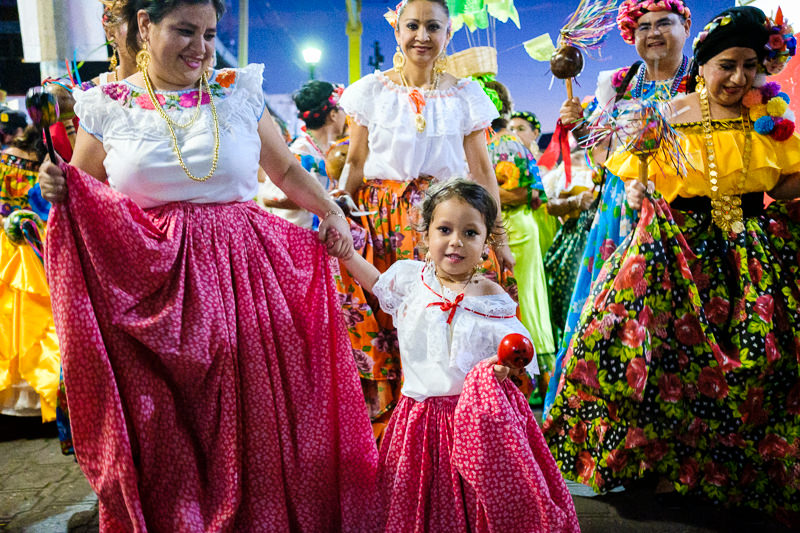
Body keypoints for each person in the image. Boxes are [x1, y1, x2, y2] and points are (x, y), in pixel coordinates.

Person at [38, 0, 378, 530]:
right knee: (167, 429)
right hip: (153, 284)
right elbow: (83, 192)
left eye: (210, 33)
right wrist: (55, 184)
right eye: (184, 30)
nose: (200, 47)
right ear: (145, 27)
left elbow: (285, 168)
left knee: (260, 425)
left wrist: (331, 209)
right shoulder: (107, 103)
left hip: (250, 280)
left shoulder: (237, 90)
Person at [544, 5, 800, 523]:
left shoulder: (767, 119)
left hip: (750, 257)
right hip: (675, 253)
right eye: (726, 64)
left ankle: (733, 471)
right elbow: (623, 164)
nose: (738, 77)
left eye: (750, 65)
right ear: (702, 65)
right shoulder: (670, 115)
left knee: (763, 360)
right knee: (656, 360)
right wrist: (635, 179)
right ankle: (660, 466)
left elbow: (787, 180)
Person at [340, 179, 579, 532]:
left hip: (476, 422)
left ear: (486, 244)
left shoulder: (491, 294)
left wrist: (503, 367)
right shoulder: (411, 279)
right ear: (425, 235)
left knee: (475, 500)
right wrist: (346, 253)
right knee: (418, 499)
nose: (456, 241)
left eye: (470, 232)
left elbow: (518, 347)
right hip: (419, 420)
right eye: (444, 229)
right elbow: (375, 281)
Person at [336, 0, 511, 436]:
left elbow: (482, 171)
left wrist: (499, 236)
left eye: (433, 26)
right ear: (397, 31)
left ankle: (446, 429)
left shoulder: (466, 95)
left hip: (444, 223)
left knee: (443, 325)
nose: (422, 36)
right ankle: (389, 434)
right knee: (383, 323)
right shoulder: (371, 91)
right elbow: (355, 163)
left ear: (447, 34)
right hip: (379, 220)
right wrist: (338, 210)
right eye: (412, 25)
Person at [544, 0, 693, 414]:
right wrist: (581, 126)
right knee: (613, 311)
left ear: (685, 26)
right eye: (643, 26)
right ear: (632, 35)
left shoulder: (701, 79)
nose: (654, 33)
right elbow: (600, 153)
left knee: (670, 315)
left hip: (678, 209)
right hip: (619, 212)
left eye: (665, 23)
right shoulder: (617, 81)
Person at [486, 98, 557, 401]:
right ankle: (538, 380)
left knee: (511, 301)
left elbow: (523, 193)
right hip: (516, 227)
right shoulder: (507, 145)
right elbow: (536, 195)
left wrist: (486, 192)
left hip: (500, 229)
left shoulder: (490, 144)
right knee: (526, 299)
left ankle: (517, 380)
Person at [0, 122, 57, 423]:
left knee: (10, 320)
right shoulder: (44, 160)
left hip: (6, 239)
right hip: (38, 235)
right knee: (42, 317)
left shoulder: (5, 157)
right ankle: (44, 389)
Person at [260, 80, 346, 229]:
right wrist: (323, 202)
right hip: (297, 238)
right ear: (333, 114)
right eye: (342, 109)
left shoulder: (325, 150)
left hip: (317, 236)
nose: (346, 115)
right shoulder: (300, 151)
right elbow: (268, 198)